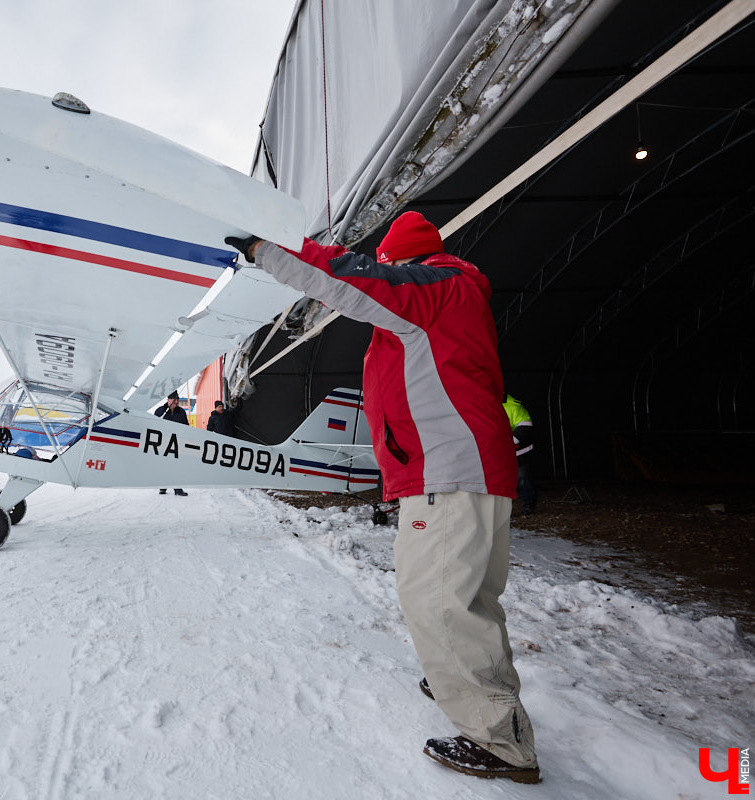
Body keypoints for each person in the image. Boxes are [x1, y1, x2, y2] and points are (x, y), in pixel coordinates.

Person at [226, 212, 539, 783]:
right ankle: (466, 682)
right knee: (468, 600)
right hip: (469, 467)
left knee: (437, 602)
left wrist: (268, 247)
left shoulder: (434, 288)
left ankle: (499, 742)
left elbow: (353, 279)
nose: (387, 272)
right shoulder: (452, 297)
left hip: (447, 470)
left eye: (391, 264)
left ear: (404, 263)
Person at [504, 393, 537, 514]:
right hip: (497, 454)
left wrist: (507, 443)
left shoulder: (514, 407)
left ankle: (528, 505)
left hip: (519, 453)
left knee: (523, 479)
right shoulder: (484, 405)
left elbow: (525, 428)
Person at [154, 390, 189, 496]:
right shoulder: (160, 411)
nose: (176, 402)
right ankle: (163, 487)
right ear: (168, 400)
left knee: (176, 466)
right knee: (163, 465)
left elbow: (186, 426)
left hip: (177, 442)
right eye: (174, 400)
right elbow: (153, 426)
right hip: (163, 443)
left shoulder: (181, 412)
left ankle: (177, 489)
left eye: (177, 400)